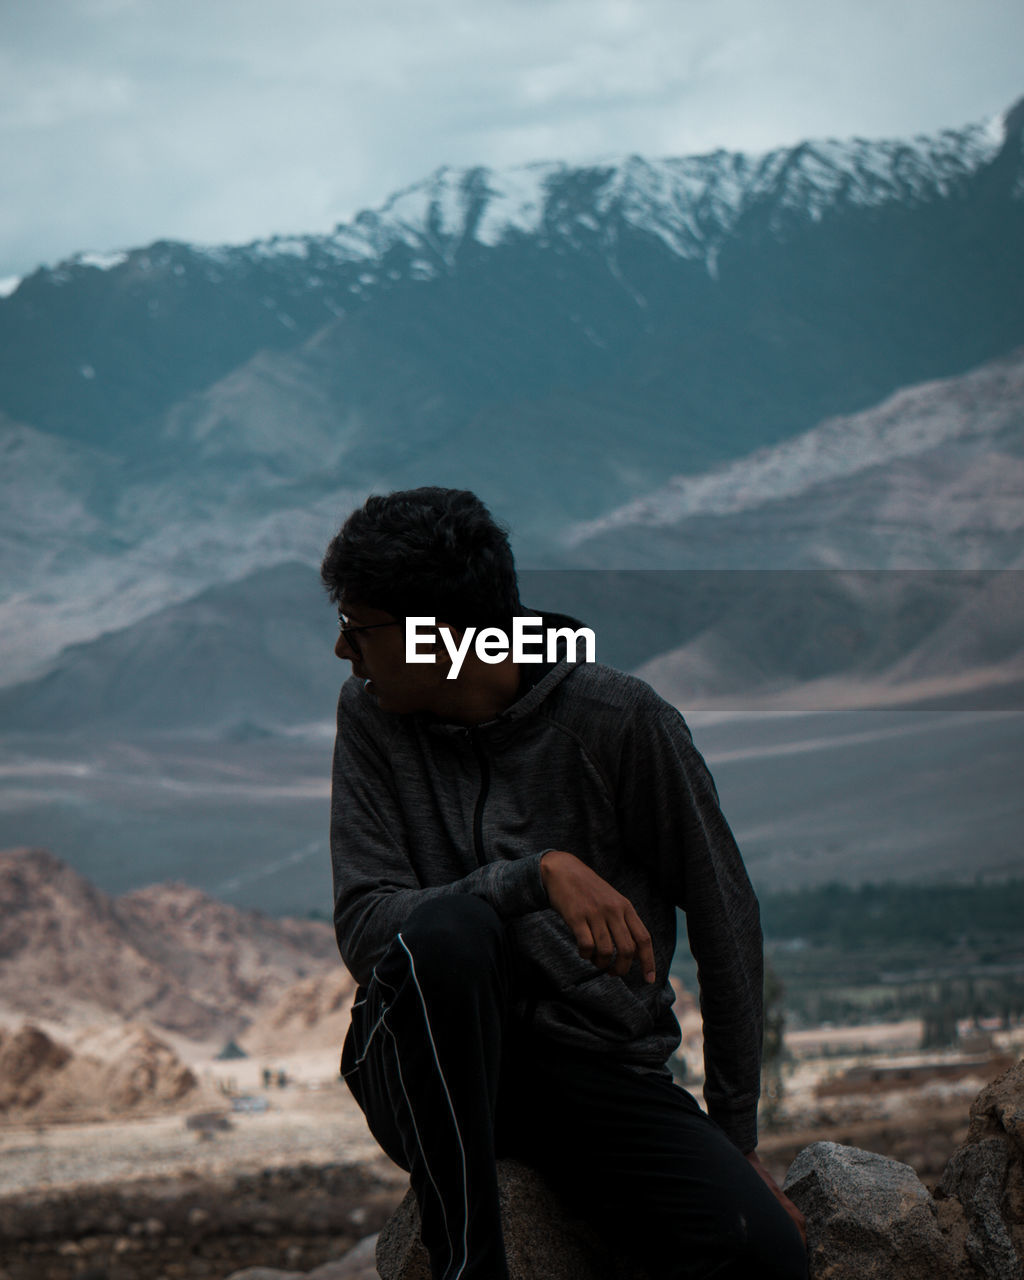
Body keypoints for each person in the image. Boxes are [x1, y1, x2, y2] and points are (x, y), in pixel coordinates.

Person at [321, 486, 808, 1280]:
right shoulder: (371, 716)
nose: (345, 653)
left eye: (357, 628)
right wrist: (533, 876)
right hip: (422, 1067)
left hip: (588, 1076)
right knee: (452, 935)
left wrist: (734, 1134)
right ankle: (467, 1267)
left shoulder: (619, 721)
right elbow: (367, 925)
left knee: (764, 1254)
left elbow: (726, 913)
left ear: (433, 637)